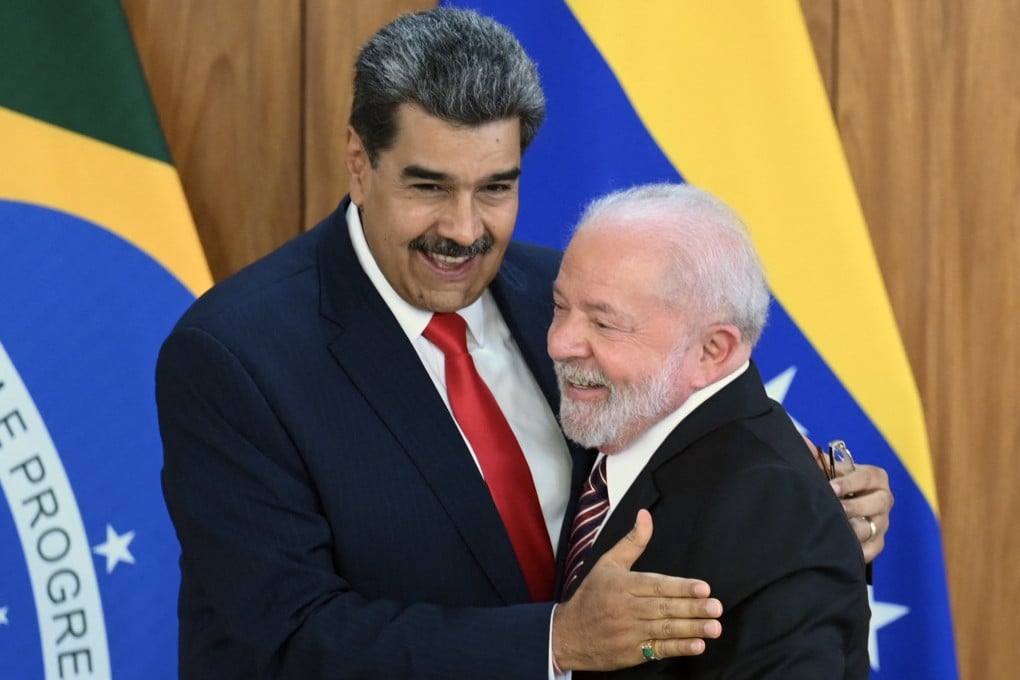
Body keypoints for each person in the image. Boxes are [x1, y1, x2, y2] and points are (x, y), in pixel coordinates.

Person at [155, 7, 889, 679]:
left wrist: (813, 510)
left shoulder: (564, 296)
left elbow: (706, 441)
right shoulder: (234, 355)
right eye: (429, 188)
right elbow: (289, 637)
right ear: (359, 162)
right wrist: (553, 644)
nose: (463, 230)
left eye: (495, 189)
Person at [548, 183, 870, 677]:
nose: (560, 343)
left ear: (712, 350)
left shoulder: (773, 510)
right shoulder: (620, 415)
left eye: (605, 325)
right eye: (558, 307)